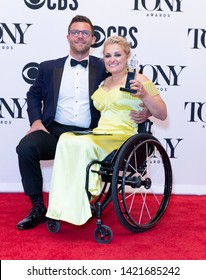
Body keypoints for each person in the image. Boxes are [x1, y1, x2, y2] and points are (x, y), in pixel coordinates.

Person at [16, 15, 150, 230]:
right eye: (76, 32)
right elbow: (33, 95)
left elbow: (127, 88)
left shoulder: (105, 66)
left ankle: (79, 203)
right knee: (26, 148)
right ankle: (38, 206)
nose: (80, 36)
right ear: (68, 36)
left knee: (82, 148)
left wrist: (145, 109)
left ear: (93, 38)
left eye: (85, 32)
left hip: (91, 133)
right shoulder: (48, 67)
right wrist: (36, 121)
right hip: (54, 131)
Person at [46, 35, 167, 226]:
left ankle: (87, 196)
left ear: (127, 56)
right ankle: (61, 206)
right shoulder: (104, 82)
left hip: (123, 136)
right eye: (107, 55)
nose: (112, 59)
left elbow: (162, 113)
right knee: (66, 139)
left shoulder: (139, 79)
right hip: (99, 133)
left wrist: (144, 96)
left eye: (117, 54)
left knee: (84, 145)